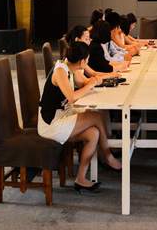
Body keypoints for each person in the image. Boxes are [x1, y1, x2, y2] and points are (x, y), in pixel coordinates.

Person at [38, 41, 122, 194]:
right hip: (51, 124)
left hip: (63, 117)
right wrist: (90, 85)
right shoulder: (60, 71)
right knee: (96, 117)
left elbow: (83, 83)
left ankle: (81, 179)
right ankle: (108, 156)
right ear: (82, 61)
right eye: (87, 59)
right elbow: (72, 97)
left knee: (93, 133)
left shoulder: (70, 68)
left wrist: (94, 81)